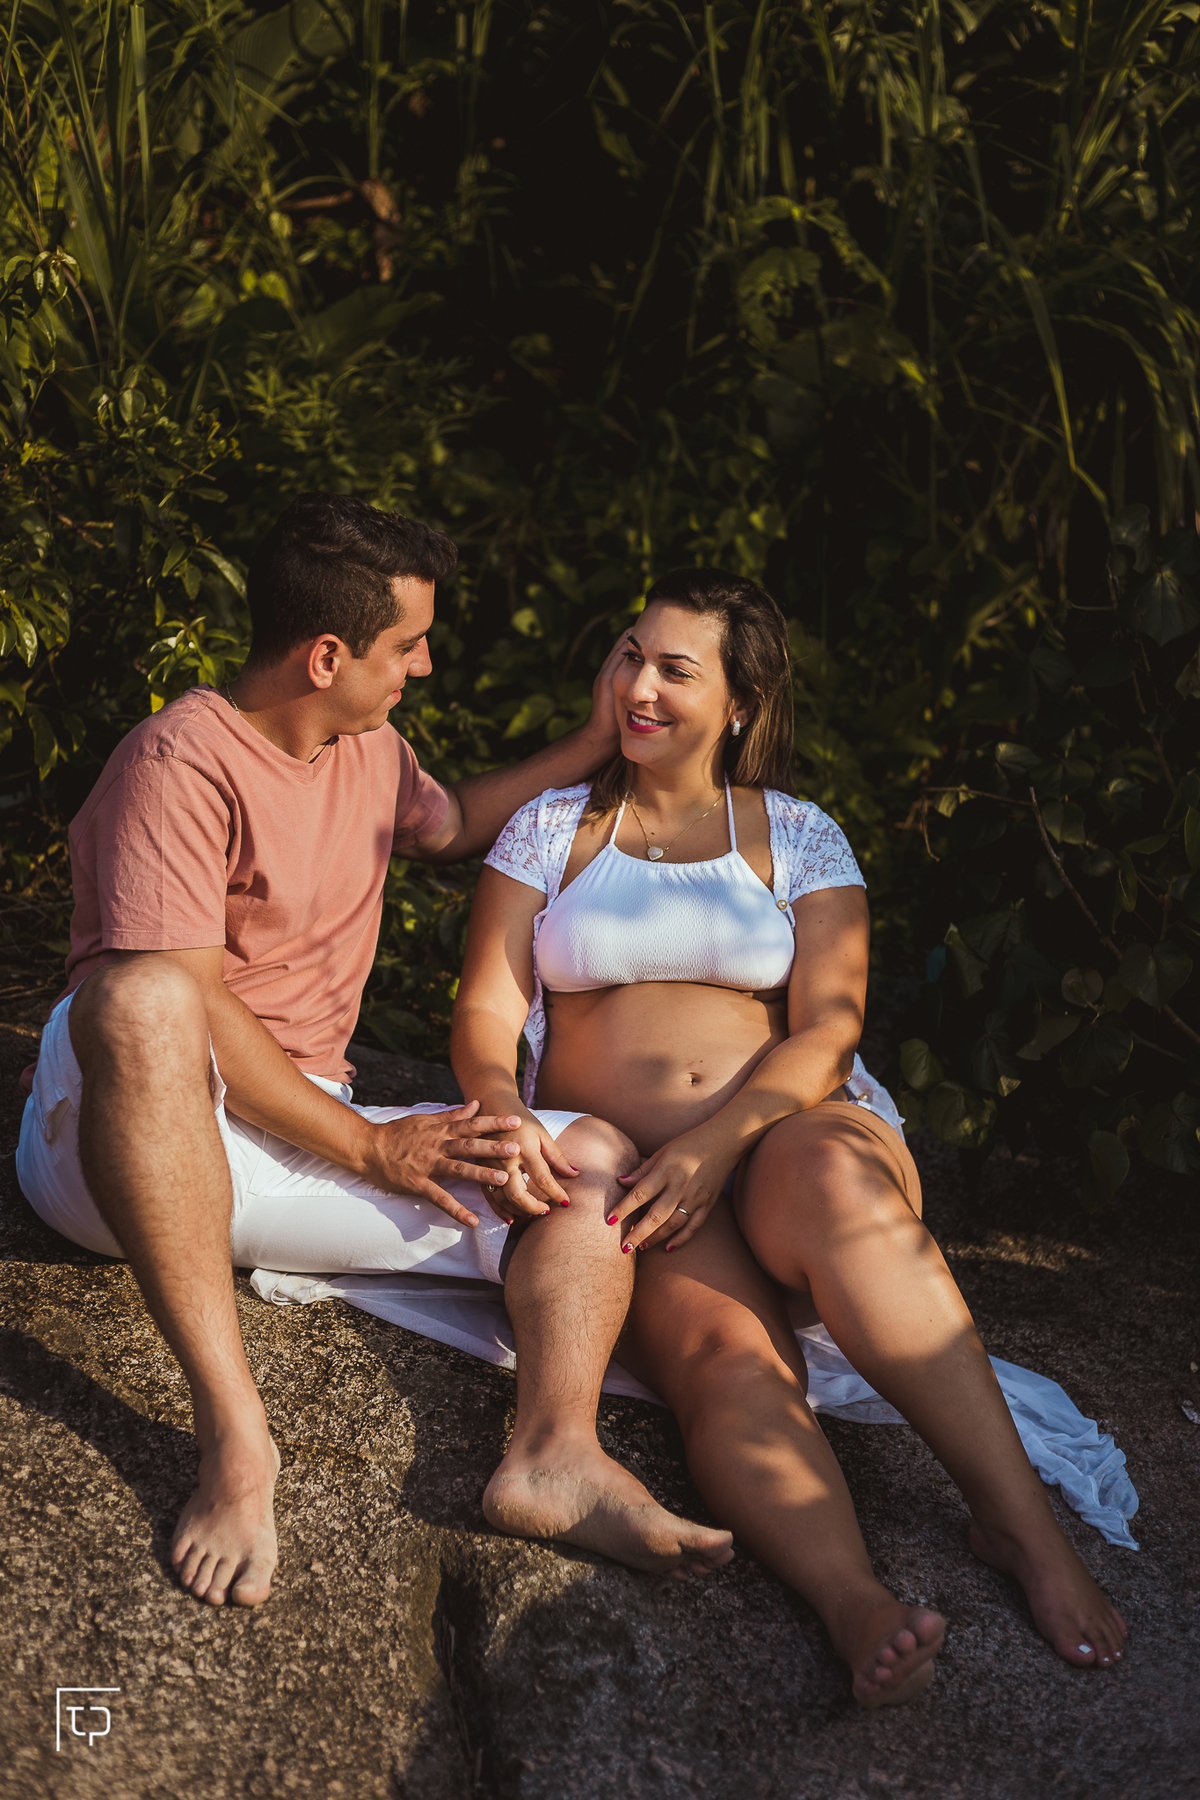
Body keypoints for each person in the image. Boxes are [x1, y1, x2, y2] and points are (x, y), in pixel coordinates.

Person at [15, 496, 734, 1613]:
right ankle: (237, 1442)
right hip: (120, 1140)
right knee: (144, 995)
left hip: (282, 1134)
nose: (428, 666)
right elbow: (188, 1006)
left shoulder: (370, 747)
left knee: (585, 1157)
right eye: (408, 646)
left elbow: (448, 828)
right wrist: (370, 1145)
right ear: (326, 655)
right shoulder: (176, 760)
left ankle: (553, 1455)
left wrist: (595, 741)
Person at [450, 566, 1129, 1707]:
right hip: (641, 1179)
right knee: (726, 1362)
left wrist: (722, 1140)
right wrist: (503, 1106)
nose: (640, 685)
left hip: (788, 1132)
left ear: (741, 705)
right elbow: (482, 1010)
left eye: (677, 668)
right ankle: (856, 1601)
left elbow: (828, 1026)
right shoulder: (552, 827)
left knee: (839, 1190)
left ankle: (1024, 1534)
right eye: (630, 654)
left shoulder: (799, 836)